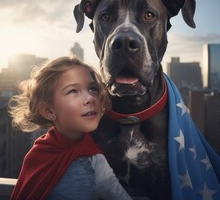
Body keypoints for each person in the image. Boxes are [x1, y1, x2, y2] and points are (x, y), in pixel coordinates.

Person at [9, 56, 132, 200]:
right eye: (73, 91)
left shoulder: (95, 159)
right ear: (49, 111)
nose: (90, 98)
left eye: (92, 89)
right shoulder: (37, 155)